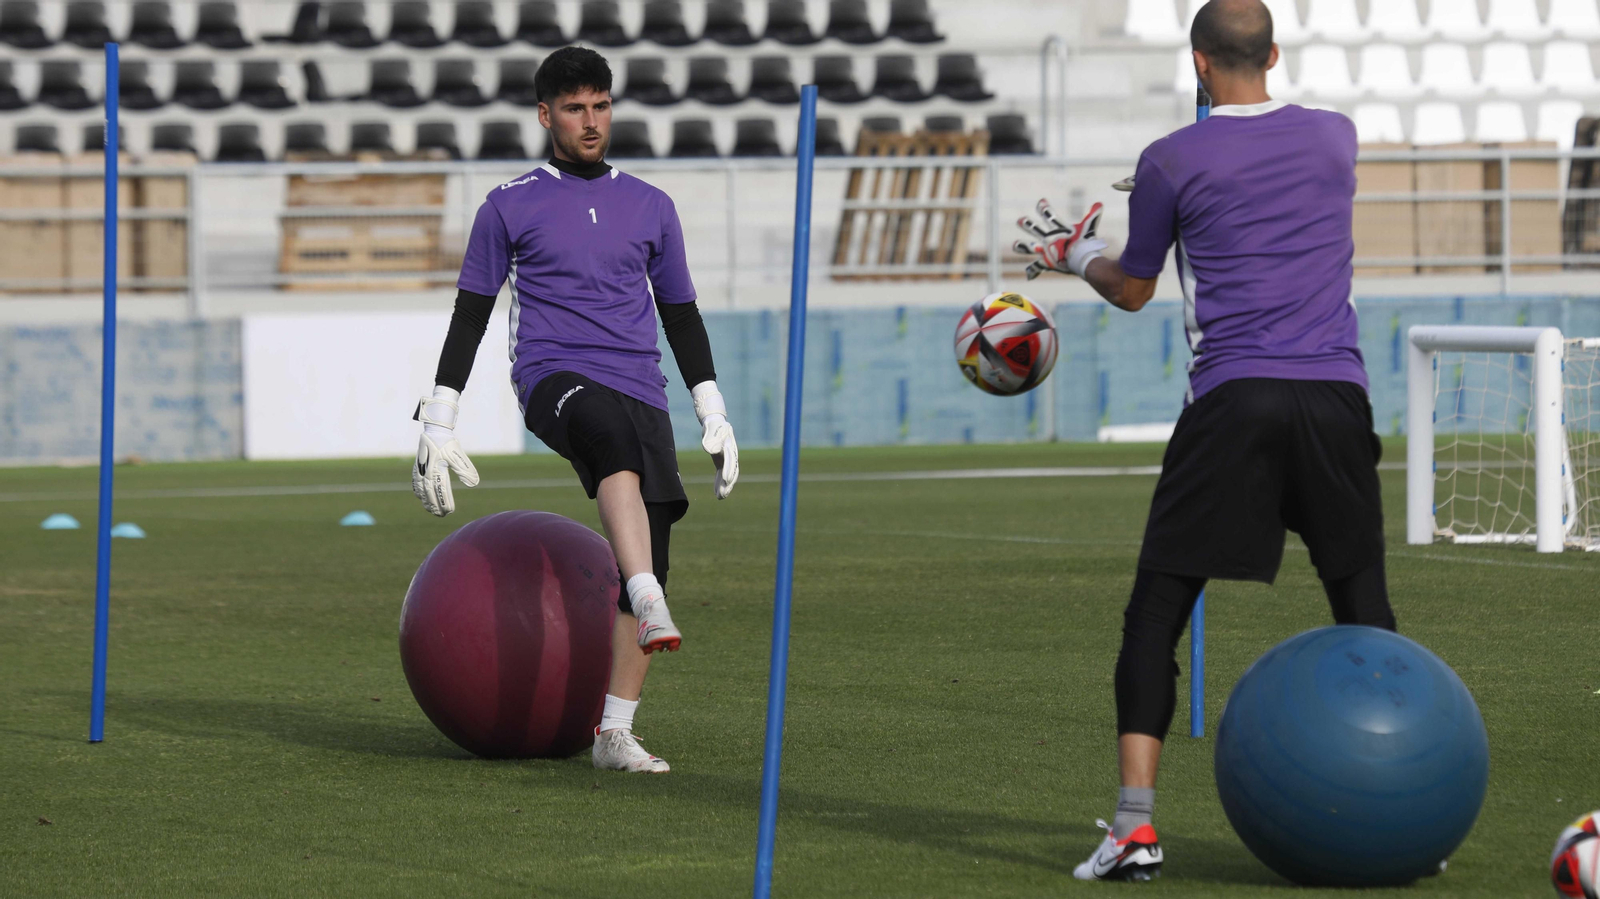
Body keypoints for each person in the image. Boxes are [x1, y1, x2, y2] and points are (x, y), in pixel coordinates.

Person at [1014, 0, 1396, 881]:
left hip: (1234, 398)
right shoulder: (1336, 136)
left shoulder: (1170, 159)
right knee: (1365, 607)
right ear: (1275, 52)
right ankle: (1390, 813)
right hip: (1337, 396)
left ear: (1196, 62)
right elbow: (1261, 174)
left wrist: (1076, 255)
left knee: (1156, 611)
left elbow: (1136, 286)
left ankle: (1136, 828)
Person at [410, 46, 739, 775]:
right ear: (545, 115)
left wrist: (711, 407)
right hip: (554, 375)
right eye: (574, 109)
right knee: (608, 440)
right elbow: (470, 314)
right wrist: (439, 414)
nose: (590, 122)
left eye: (601, 106)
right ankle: (646, 591)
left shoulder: (652, 204)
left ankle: (613, 733)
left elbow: (681, 316)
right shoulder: (510, 202)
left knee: (647, 549)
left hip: (642, 385)